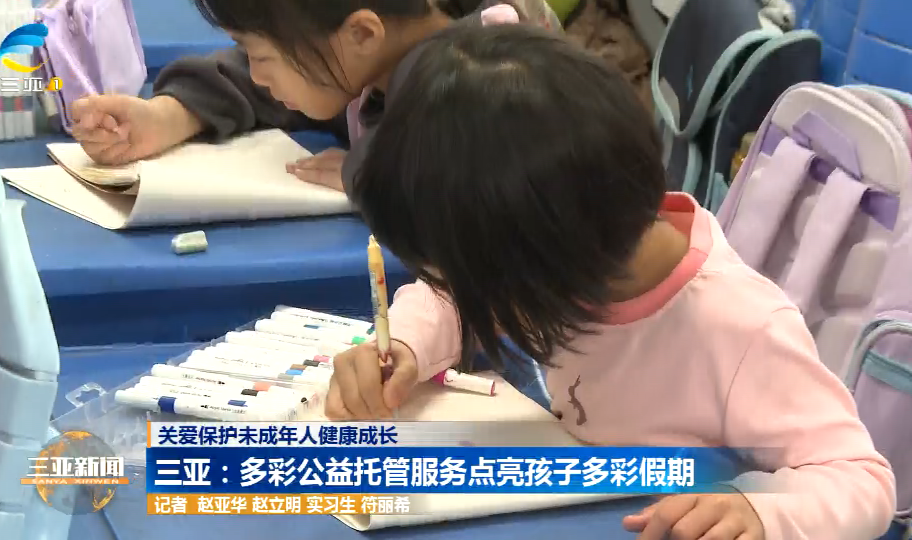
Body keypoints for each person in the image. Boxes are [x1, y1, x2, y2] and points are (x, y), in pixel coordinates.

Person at [323, 23, 897, 540]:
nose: (464, 295)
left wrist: (762, 510)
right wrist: (406, 343)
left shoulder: (740, 331)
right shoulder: (566, 244)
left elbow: (860, 477)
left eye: (477, 283)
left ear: (544, 259)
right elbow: (450, 296)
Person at [69, 0, 559, 192]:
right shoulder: (359, 55)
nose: (257, 73)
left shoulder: (492, 79)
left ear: (361, 34)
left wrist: (371, 171)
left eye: (261, 55)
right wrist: (168, 117)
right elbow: (269, 79)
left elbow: (447, 168)